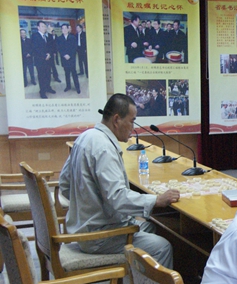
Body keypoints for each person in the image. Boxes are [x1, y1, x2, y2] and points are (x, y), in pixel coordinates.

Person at [59, 94, 179, 268]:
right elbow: (118, 197)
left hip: (82, 228)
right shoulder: (104, 148)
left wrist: (88, 205)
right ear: (116, 120)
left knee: (149, 227)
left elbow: (64, 184)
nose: (133, 128)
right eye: (132, 121)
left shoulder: (85, 137)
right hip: (99, 237)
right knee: (162, 247)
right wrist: (156, 200)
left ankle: (136, 279)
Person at [32, 21, 55, 99]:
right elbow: (35, 48)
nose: (44, 28)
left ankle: (48, 87)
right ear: (38, 27)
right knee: (41, 77)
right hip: (40, 60)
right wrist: (45, 55)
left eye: (45, 26)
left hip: (48, 60)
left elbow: (51, 46)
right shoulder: (35, 36)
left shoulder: (47, 36)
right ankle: (42, 92)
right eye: (42, 26)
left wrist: (49, 54)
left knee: (48, 75)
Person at [57, 24, 80, 94]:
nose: (64, 30)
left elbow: (75, 47)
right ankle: (68, 86)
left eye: (65, 28)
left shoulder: (73, 38)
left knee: (74, 73)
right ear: (61, 30)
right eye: (62, 28)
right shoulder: (59, 38)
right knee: (67, 74)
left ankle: (77, 87)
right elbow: (59, 48)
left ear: (68, 29)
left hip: (71, 58)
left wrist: (69, 55)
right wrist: (64, 55)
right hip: (64, 59)